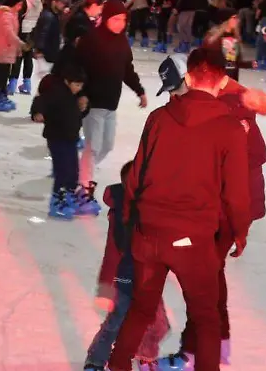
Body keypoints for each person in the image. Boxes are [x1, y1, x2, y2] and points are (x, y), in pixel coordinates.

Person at [105, 48, 249, 371]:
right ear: (222, 81)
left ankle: (117, 365)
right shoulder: (229, 129)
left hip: (149, 235)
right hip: (191, 240)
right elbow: (237, 195)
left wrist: (131, 223)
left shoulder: (158, 118)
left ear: (189, 78)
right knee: (206, 319)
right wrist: (240, 233)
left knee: (141, 308)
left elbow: (136, 177)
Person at [83, 159, 170, 370]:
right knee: (116, 322)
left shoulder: (156, 212)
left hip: (149, 281)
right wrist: (105, 289)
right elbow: (112, 253)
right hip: (124, 280)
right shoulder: (122, 218)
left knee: (157, 324)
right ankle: (96, 360)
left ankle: (145, 355)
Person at [71, 0, 147, 205]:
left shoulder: (122, 42)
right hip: (93, 102)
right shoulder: (91, 39)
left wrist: (139, 90)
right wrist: (81, 94)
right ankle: (84, 184)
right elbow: (78, 68)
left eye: (123, 20)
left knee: (107, 145)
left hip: (111, 103)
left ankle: (81, 171)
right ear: (106, 19)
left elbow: (127, 70)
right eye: (115, 19)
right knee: (93, 146)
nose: (120, 24)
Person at [30, 63, 92, 218]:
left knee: (73, 171)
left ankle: (70, 197)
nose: (78, 88)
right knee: (62, 171)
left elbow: (77, 116)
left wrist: (84, 108)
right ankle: (57, 202)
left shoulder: (75, 96)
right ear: (67, 81)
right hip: (57, 138)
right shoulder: (56, 92)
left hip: (71, 139)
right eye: (76, 85)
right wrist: (37, 112)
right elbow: (40, 101)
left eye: (81, 86)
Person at [12, 0, 43, 94]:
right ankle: (27, 84)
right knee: (28, 57)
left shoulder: (23, 0)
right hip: (33, 31)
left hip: (23, 29)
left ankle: (12, 84)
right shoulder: (38, 0)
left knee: (18, 57)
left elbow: (18, 15)